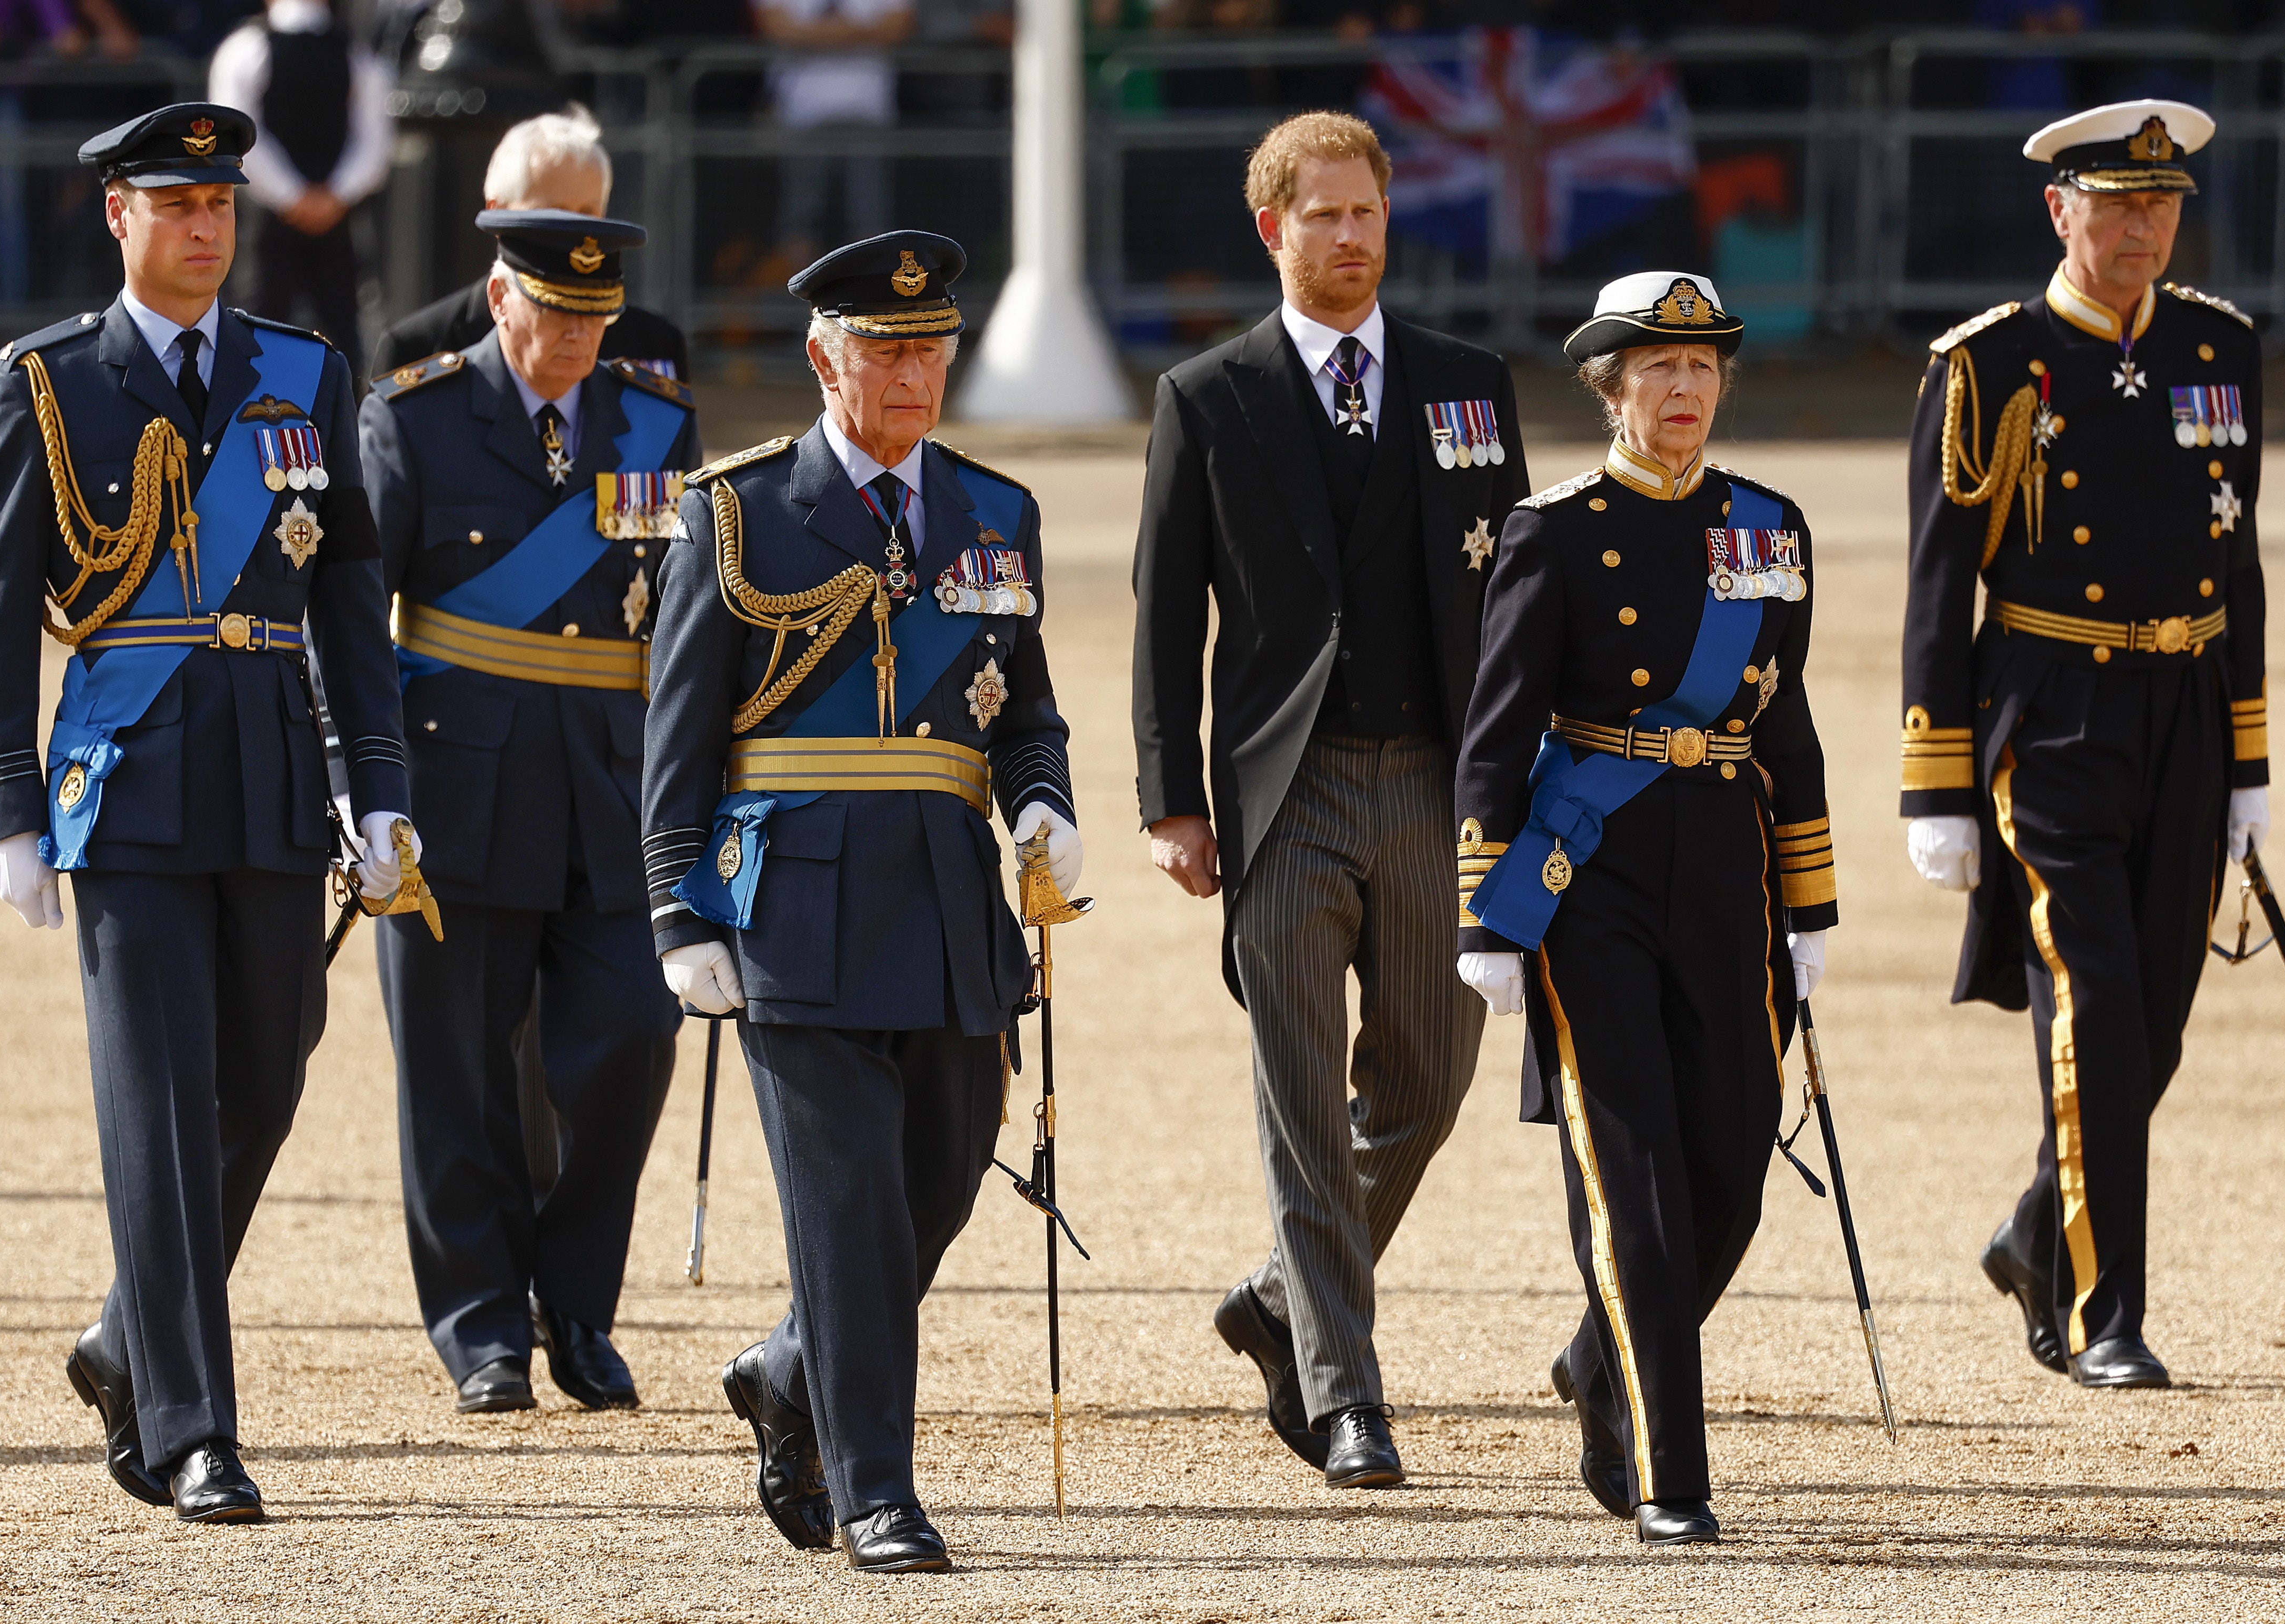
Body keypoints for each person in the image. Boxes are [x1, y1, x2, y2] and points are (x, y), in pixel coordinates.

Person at [0, 103, 411, 1522]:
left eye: (220, 205)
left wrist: (376, 781)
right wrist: (3, 803)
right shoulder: (47, 380)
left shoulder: (305, 371)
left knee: (267, 1077)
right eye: (176, 205)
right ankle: (194, 1425)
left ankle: (123, 1334)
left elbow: (347, 595)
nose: (207, 228)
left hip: (275, 773)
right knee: (157, 1104)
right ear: (119, 218)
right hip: (130, 780)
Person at [643, 231, 1076, 1574]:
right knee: (844, 1208)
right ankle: (876, 1487)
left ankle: (790, 1367)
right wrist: (678, 908)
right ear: (825, 357)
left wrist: (1043, 798)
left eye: (931, 346)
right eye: (885, 349)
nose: (911, 370)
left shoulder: (997, 512)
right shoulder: (740, 512)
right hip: (796, 908)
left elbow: (1027, 710)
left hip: (949, 905)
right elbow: (680, 729)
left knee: (936, 1186)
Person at [1131, 112, 1528, 1489]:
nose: (1350, 237)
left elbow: (1517, 607)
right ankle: (1342, 1392)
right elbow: (1160, 609)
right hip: (1276, 793)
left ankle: (1276, 1296)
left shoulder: (1467, 383)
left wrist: (1524, 779)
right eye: (1323, 216)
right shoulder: (1207, 395)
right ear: (1272, 231)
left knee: (1428, 1070)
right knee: (1299, 1098)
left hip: (1433, 782)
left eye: (1366, 213)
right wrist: (1169, 798)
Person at [1454, 272, 1833, 1548]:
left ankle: (1598, 1355)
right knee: (1636, 1178)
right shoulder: (1552, 530)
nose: (1683, 391)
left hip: (1729, 865)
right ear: (1612, 390)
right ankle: (1673, 1469)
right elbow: (1497, 735)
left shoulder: (1769, 527)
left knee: (1733, 1165)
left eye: (1703, 370)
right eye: (1657, 372)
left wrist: (1812, 898)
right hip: (1590, 876)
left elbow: (1785, 722)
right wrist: (1483, 912)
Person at [1900, 99, 2267, 1390]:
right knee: (2098, 1003)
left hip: (2188, 712)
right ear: (2061, 211)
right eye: (2117, 206)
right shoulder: (1989, 364)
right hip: (2049, 713)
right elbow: (1939, 588)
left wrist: (2253, 760)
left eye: (2162, 206)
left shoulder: (2222, 347)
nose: (2143, 229)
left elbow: (2244, 562)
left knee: (2155, 1018)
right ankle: (2109, 1307)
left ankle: (2031, 1229)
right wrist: (1933, 779)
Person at [359, 209, 698, 1415]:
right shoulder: (413, 417)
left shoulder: (656, 420)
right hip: (456, 788)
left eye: (594, 320)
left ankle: (578, 1302)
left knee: (629, 1040)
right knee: (454, 1072)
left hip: (611, 790)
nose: (574, 339)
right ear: (500, 298)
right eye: (554, 314)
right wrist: (367, 787)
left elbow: (686, 617)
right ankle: (482, 1327)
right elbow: (357, 624)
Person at [370, 107, 689, 382]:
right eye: (554, 214)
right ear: (499, 213)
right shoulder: (419, 347)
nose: (575, 231)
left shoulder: (653, 345)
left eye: (588, 213)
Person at [207, 0, 394, 371]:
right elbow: (375, 145)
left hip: (286, 215)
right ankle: (343, 424)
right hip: (306, 217)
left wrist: (298, 198)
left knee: (260, 333)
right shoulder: (355, 51)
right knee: (338, 334)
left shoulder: (244, 47)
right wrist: (328, 198)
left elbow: (235, 136)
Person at [751, 0, 912, 269]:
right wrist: (860, 33)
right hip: (801, 116)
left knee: (869, 218)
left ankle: (869, 303)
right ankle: (797, 303)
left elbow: (898, 28)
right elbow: (775, 27)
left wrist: (814, 34)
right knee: (799, 218)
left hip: (868, 115)